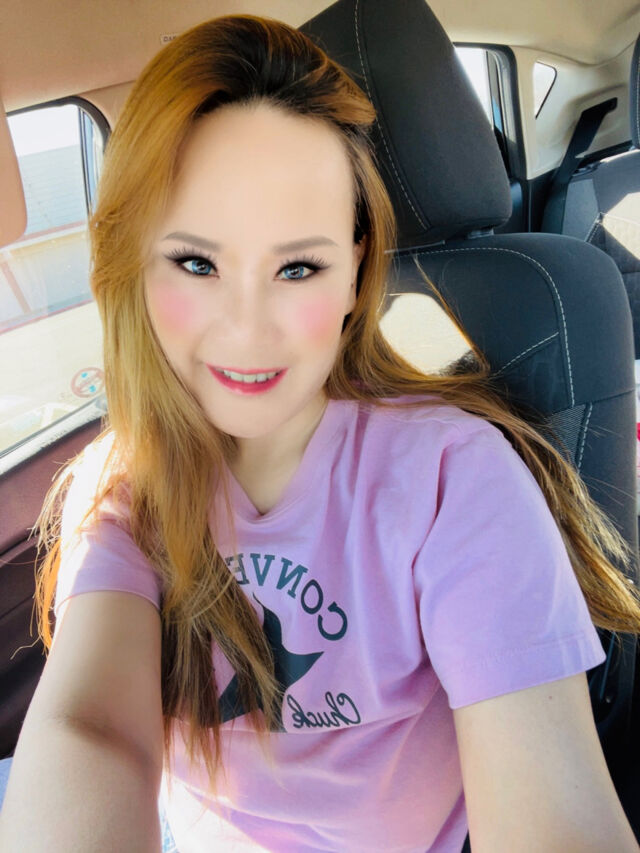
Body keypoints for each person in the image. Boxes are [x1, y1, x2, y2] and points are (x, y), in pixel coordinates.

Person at [1, 13, 640, 853]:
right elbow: (93, 731)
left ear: (353, 271)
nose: (247, 328)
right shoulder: (123, 490)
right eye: (196, 262)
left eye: (298, 267)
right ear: (135, 264)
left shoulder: (453, 476)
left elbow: (551, 803)